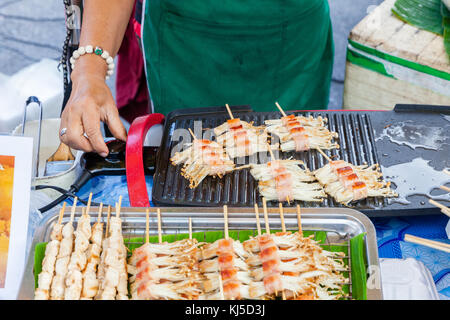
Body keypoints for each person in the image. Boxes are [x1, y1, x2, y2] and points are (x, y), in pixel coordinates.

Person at [60, 0, 334, 157]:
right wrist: (90, 69)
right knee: (187, 164)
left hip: (291, 45)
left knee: (296, 159)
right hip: (185, 41)